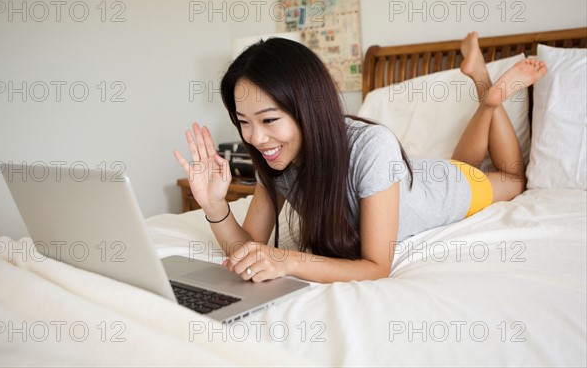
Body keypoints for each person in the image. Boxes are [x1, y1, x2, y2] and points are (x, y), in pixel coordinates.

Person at [173, 32, 547, 284]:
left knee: (513, 179)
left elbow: (376, 267)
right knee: (462, 162)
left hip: (441, 188)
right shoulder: (275, 158)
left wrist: (286, 260)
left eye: (269, 120)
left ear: (308, 107)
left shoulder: (372, 145)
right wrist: (214, 205)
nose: (255, 138)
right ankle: (482, 83)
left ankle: (489, 93)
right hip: (415, 175)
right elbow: (247, 248)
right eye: (244, 123)